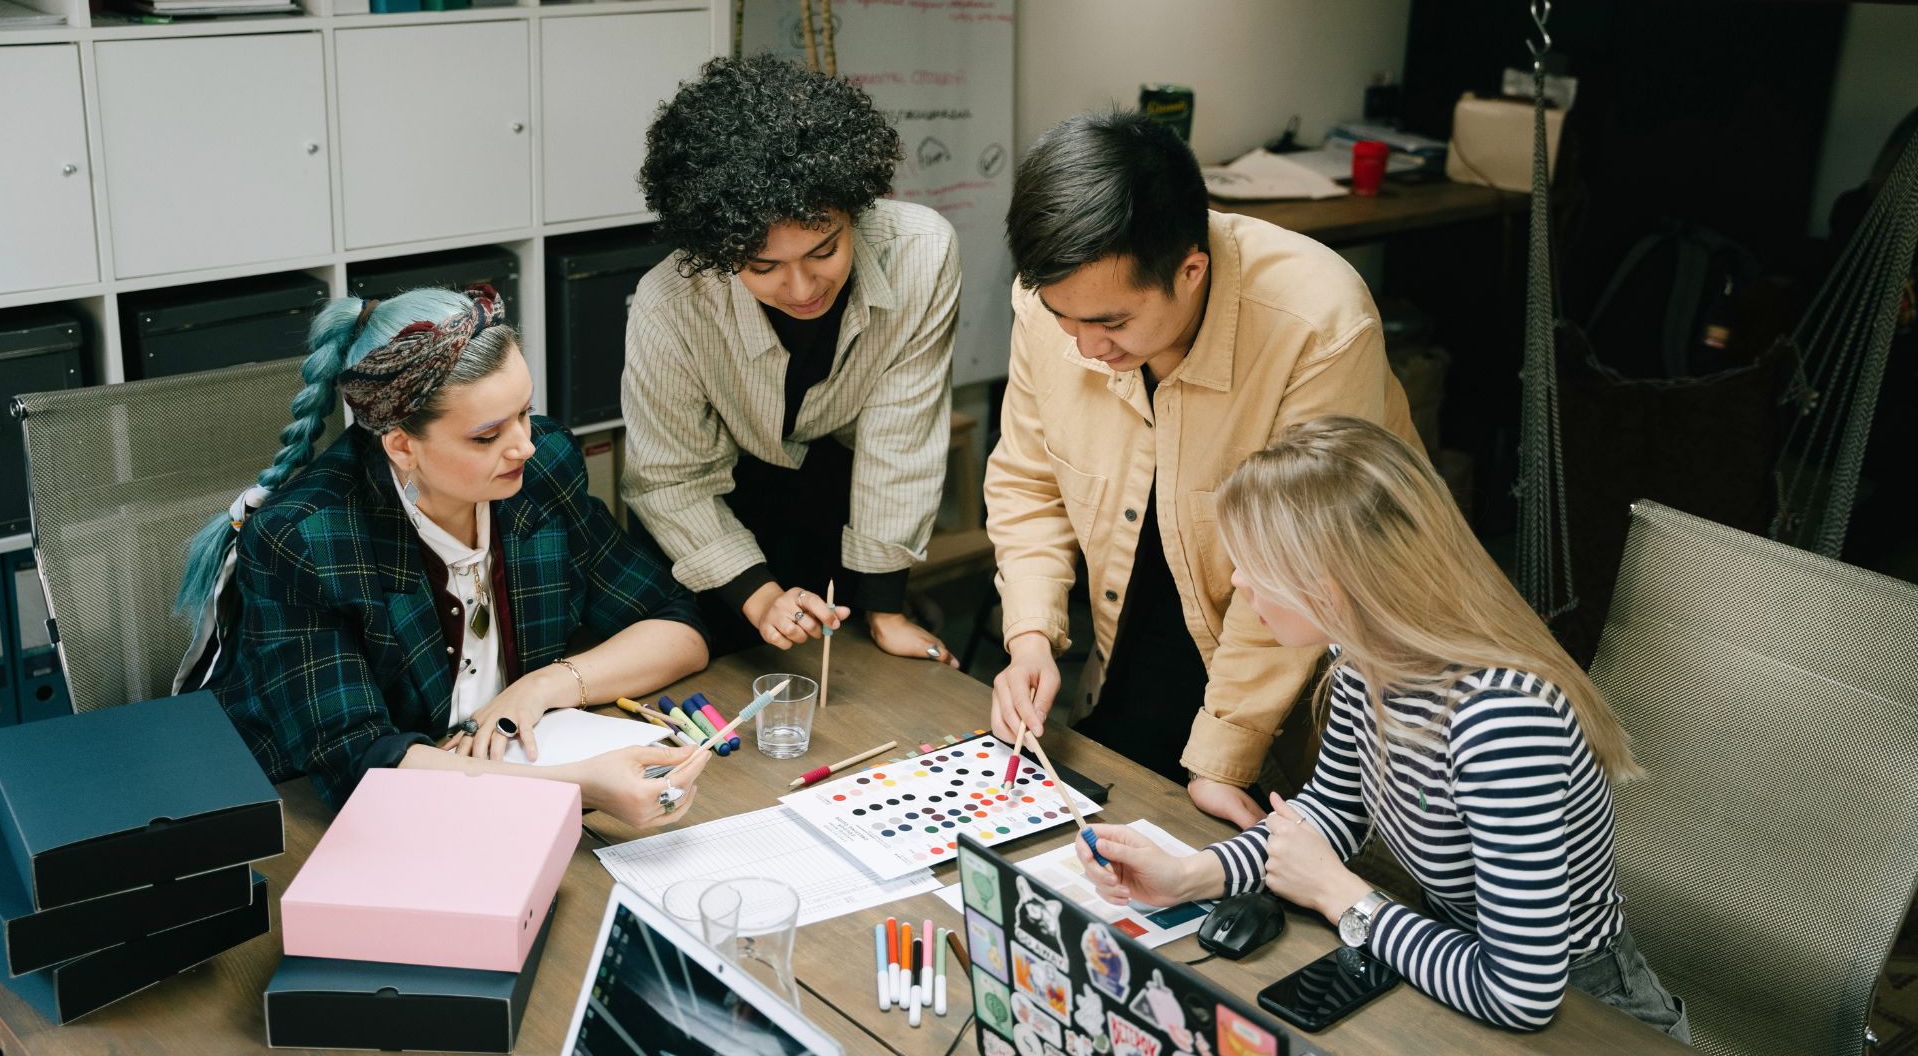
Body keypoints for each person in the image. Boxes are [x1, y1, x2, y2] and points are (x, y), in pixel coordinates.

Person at [1069, 417, 1690, 1040]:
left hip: (1588, 1016)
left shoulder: (1501, 721)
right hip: (1445, 960)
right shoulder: (1364, 657)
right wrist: (1189, 875)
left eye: (1255, 562)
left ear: (1331, 587)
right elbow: (1335, 811)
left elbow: (1521, 992)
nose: (1238, 579)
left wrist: (1339, 894)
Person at [985, 110, 1419, 826]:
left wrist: (1224, 755)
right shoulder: (1054, 302)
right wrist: (1029, 635)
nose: (1086, 347)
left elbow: (1301, 565)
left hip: (1308, 667)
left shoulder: (1318, 325)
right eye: (1065, 319)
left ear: (1191, 271)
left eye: (1112, 323)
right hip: (1137, 627)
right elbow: (1030, 482)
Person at [175, 286, 713, 831]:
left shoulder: (541, 470)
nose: (524, 445)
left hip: (495, 781)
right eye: (487, 436)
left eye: (525, 412)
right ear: (402, 446)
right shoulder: (306, 539)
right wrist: (579, 786)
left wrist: (540, 687)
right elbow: (360, 763)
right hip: (309, 817)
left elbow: (677, 628)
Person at [623, 53, 962, 667]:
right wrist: (760, 598)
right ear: (720, 250)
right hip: (705, 512)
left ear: (855, 209)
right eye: (763, 266)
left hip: (833, 488)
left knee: (840, 670)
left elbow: (901, 437)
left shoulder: (922, 253)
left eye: (824, 251)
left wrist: (885, 609)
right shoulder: (669, 304)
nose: (803, 289)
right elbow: (671, 478)